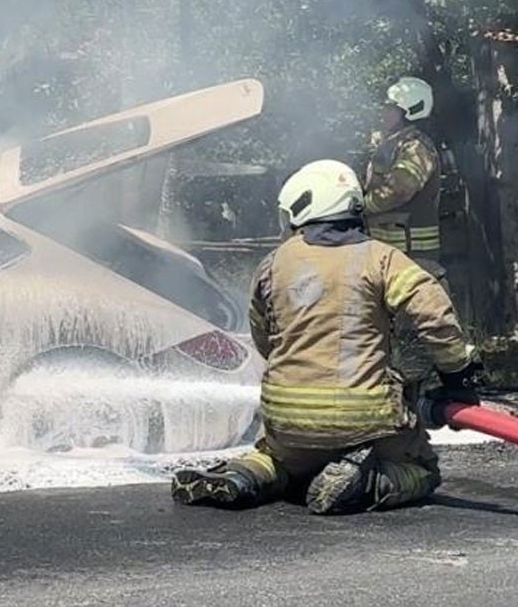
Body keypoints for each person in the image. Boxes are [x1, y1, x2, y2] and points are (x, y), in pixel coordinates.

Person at [171, 159, 482, 515]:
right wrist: (457, 374)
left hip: (286, 421)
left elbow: (264, 336)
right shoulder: (382, 259)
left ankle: (244, 477)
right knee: (422, 470)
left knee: (277, 460)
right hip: (365, 421)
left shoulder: (274, 263)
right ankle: (366, 482)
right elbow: (435, 317)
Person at [364, 76, 445, 281]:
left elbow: (398, 190)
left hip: (414, 257)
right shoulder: (396, 144)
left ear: (410, 111)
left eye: (391, 108)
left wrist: (362, 205)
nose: (384, 112)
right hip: (394, 254)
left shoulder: (416, 147)